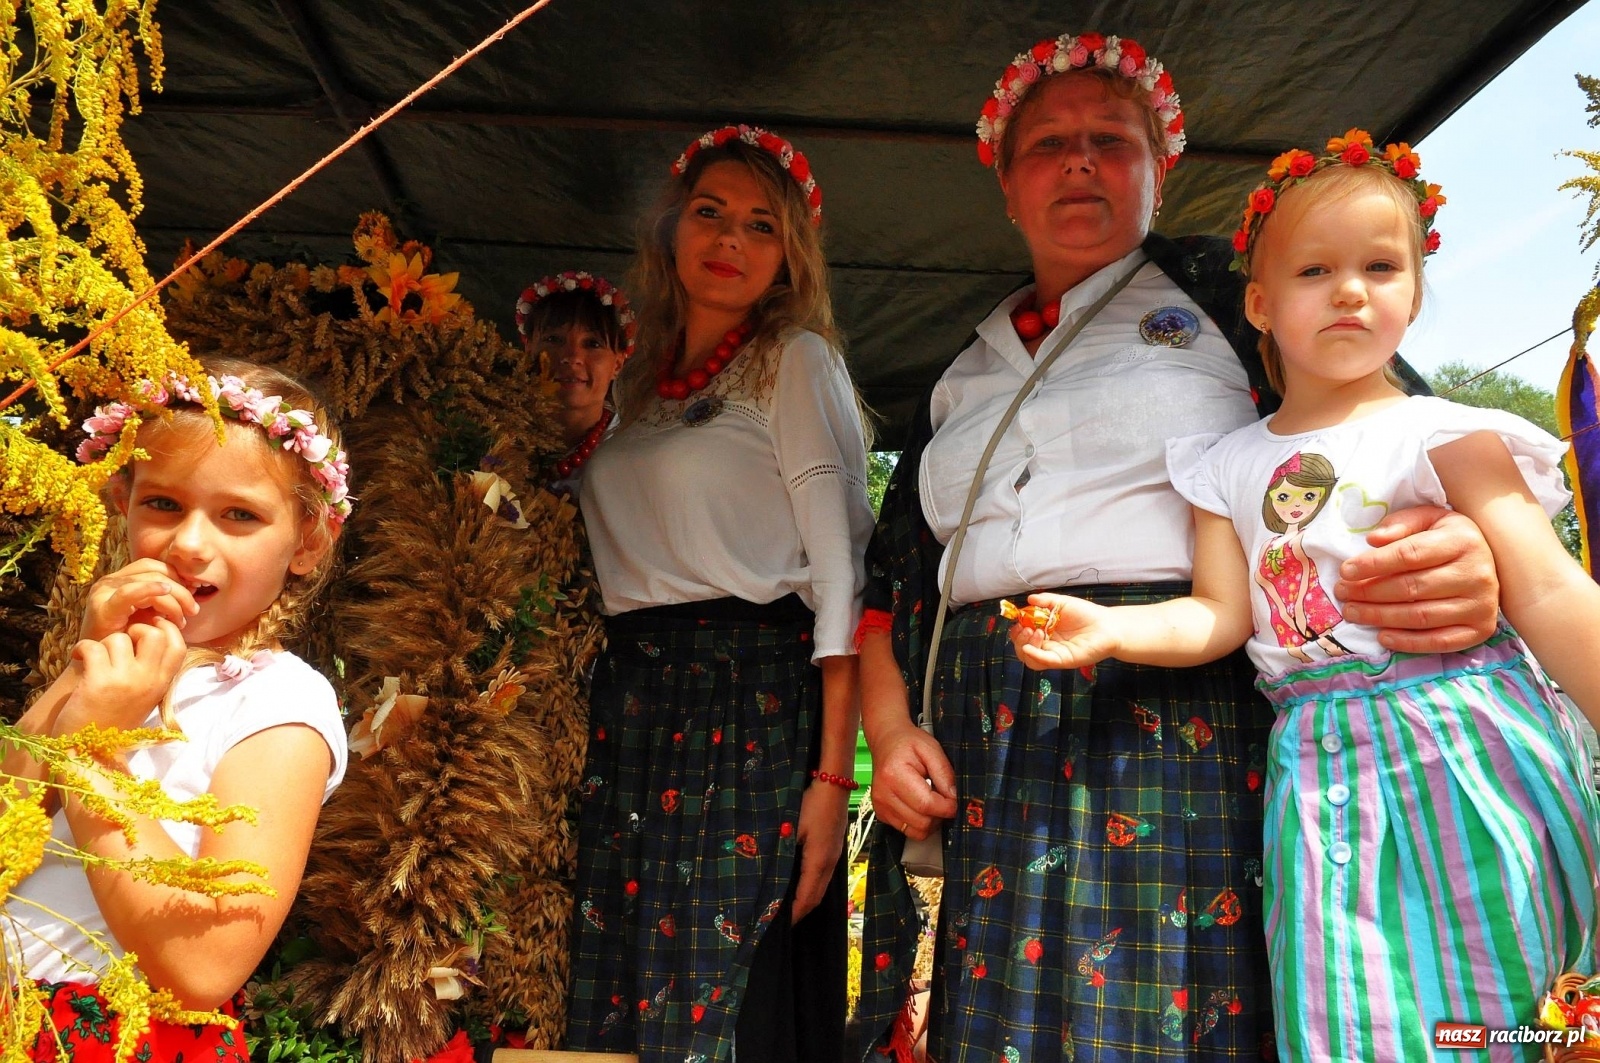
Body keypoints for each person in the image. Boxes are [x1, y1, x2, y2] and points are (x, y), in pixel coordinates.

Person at [855, 32, 1502, 1063]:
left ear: (1161, 169)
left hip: (1178, 715)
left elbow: (1390, 428)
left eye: (1111, 140)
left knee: (1171, 1016)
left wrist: (1463, 540)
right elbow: (888, 585)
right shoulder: (962, 368)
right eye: (1048, 143)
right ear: (1006, 185)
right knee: (999, 1026)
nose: (1079, 160)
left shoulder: (1228, 292)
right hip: (990, 733)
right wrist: (891, 734)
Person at [1008, 133, 1600, 1060]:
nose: (1351, 291)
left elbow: (1552, 590)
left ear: (1414, 290)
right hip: (1322, 775)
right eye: (1316, 269)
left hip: (1468, 743)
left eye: (1380, 267)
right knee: (1347, 1007)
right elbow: (1219, 614)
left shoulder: (1447, 432)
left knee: (1514, 991)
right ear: (1260, 302)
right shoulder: (1225, 465)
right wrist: (1110, 626)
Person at [566, 125, 874, 1063]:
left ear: (789, 256)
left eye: (760, 224)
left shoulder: (795, 360)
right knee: (609, 979)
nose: (730, 238)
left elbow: (843, 575)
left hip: (748, 703)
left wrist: (831, 781)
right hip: (630, 706)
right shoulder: (636, 387)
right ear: (671, 229)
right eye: (709, 212)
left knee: (721, 987)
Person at [6, 358, 350, 1061]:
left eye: (239, 515)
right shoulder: (107, 669)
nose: (189, 544)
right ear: (122, 502)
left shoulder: (279, 701)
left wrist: (92, 754)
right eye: (163, 503)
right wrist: (83, 666)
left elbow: (204, 966)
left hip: (116, 1037)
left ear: (309, 541)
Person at [513, 270, 635, 489]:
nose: (572, 357)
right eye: (554, 339)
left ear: (617, 364)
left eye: (592, 344)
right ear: (528, 350)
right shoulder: (490, 438)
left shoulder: (635, 458)